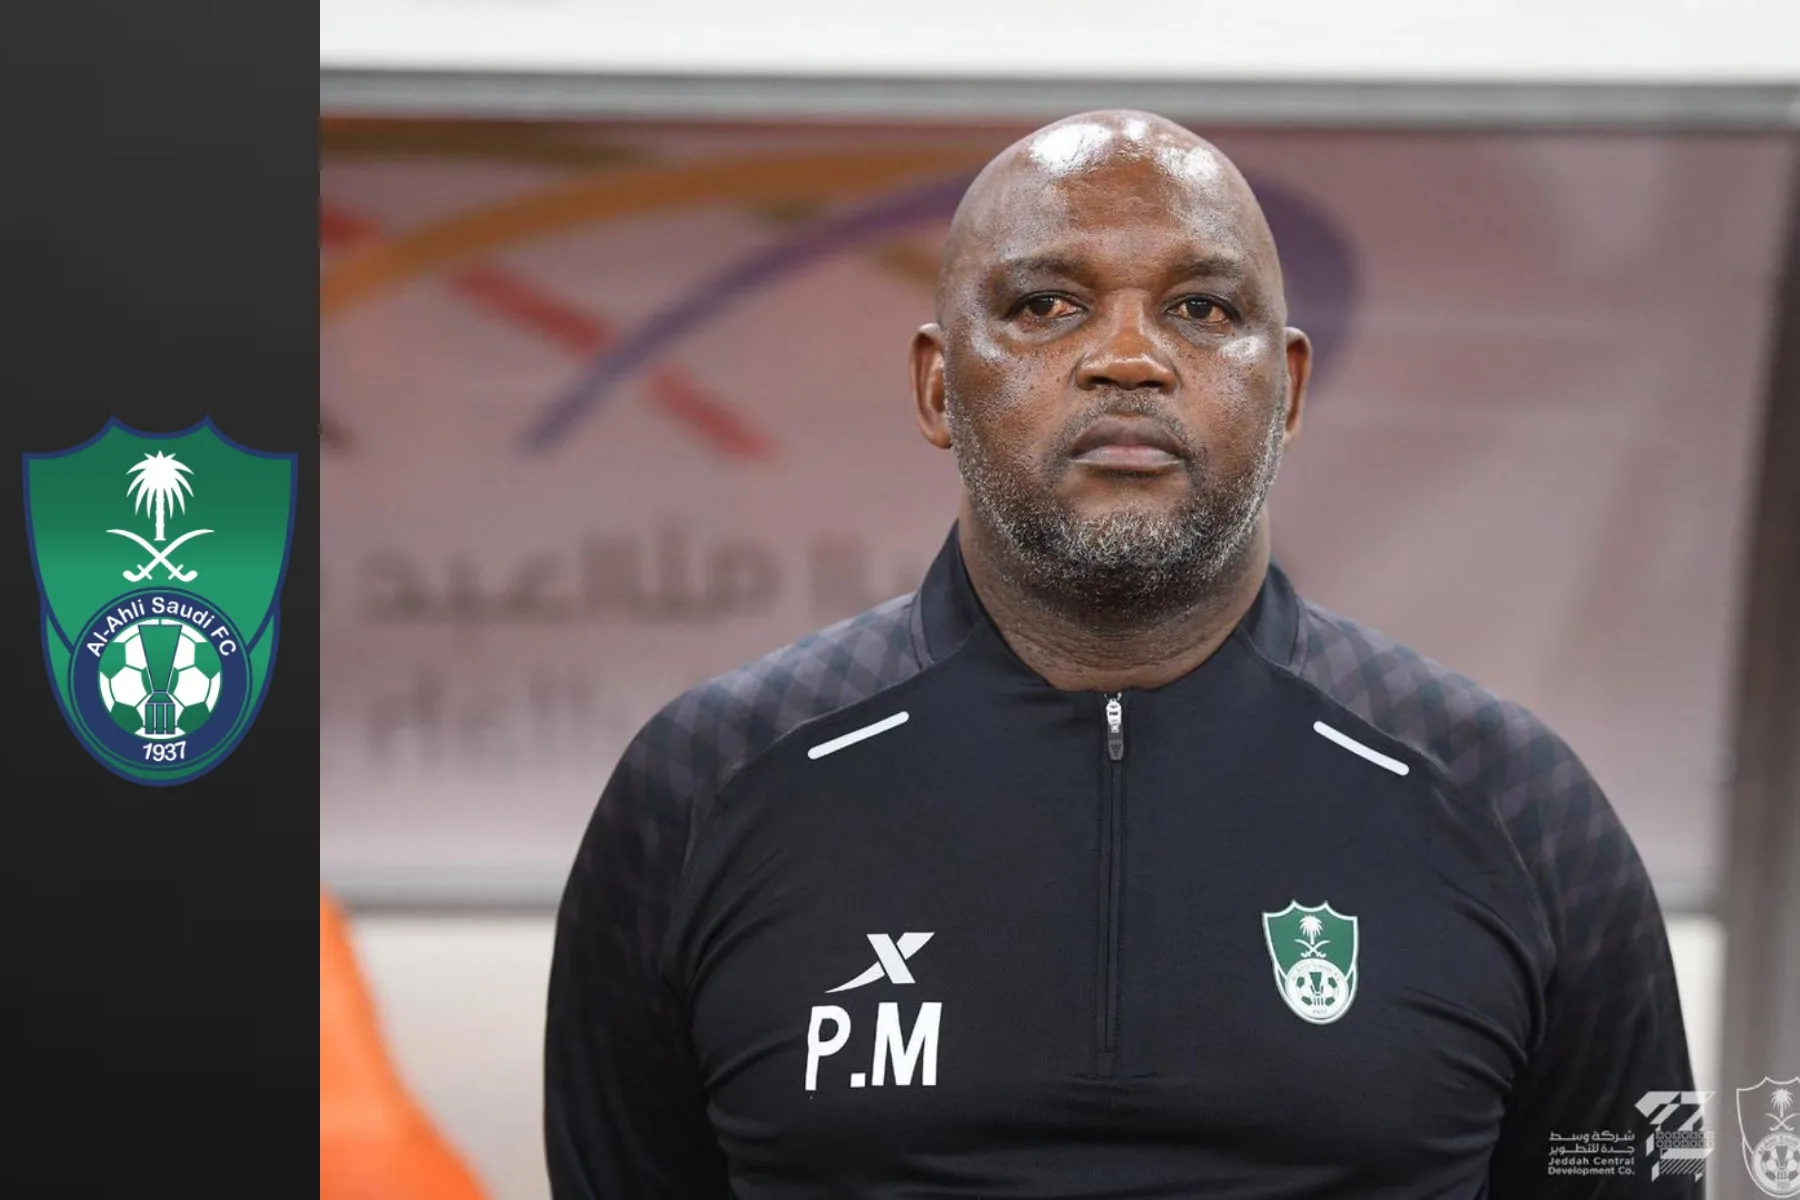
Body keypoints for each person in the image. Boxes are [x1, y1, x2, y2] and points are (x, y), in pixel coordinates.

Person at [544, 110, 1699, 1198]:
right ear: (938, 385)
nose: (1130, 359)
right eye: (1047, 305)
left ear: (1289, 389)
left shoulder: (1520, 807)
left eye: (1201, 308)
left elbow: (1653, 1170)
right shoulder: (702, 786)